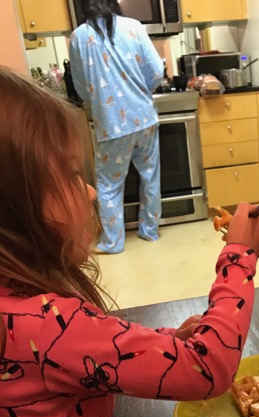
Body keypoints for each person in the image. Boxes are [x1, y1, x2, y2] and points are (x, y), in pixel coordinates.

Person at [0, 67, 259, 417]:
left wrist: (166, 340)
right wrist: (240, 258)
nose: (88, 190)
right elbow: (209, 370)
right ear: (20, 206)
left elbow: (85, 357)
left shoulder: (19, 312)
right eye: (73, 175)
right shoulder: (48, 322)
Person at [69, 0, 164, 254]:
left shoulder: (79, 36)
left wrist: (98, 102)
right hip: (144, 117)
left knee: (109, 184)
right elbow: (156, 71)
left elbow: (80, 87)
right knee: (150, 175)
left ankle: (113, 242)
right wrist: (140, 89)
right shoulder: (134, 26)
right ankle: (150, 231)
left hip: (111, 123)